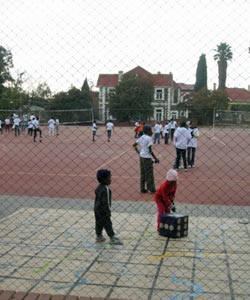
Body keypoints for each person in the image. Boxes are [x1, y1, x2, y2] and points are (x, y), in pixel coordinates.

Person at [94, 169, 123, 245]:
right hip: (104, 210)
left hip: (97, 209)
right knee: (108, 223)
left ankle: (99, 236)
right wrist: (108, 211)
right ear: (105, 179)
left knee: (98, 222)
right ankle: (112, 237)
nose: (111, 179)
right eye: (109, 178)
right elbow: (106, 202)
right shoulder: (106, 189)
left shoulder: (99, 187)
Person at [133, 125, 159, 194]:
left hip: (142, 157)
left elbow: (134, 145)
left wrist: (139, 152)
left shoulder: (142, 137)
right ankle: (151, 189)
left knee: (143, 173)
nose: (152, 132)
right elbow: (150, 150)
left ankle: (142, 188)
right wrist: (156, 158)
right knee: (149, 174)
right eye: (150, 130)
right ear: (147, 131)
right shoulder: (149, 138)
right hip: (147, 158)